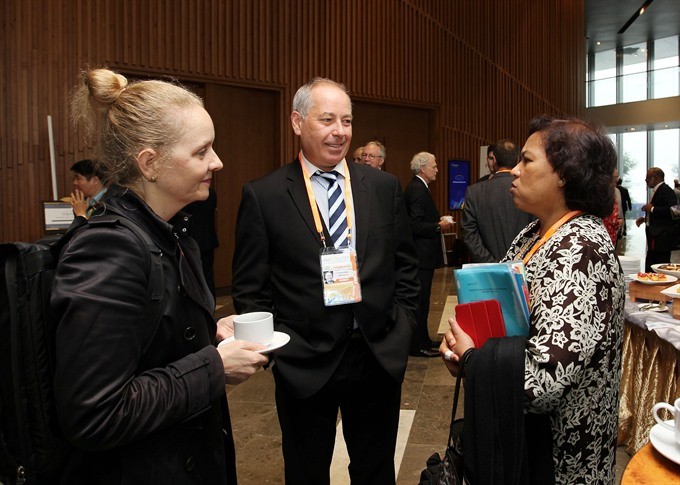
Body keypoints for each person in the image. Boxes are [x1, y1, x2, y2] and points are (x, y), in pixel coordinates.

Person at [52, 67, 268, 484]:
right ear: (150, 163)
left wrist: (208, 332)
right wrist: (213, 367)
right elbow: (94, 414)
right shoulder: (109, 250)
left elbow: (154, 343)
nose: (217, 162)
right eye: (202, 151)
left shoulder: (171, 234)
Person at [231, 77, 419, 484]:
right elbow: (250, 286)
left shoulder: (383, 187)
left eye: (347, 121)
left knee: (375, 471)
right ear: (298, 123)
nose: (340, 131)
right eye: (328, 119)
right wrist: (276, 350)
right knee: (305, 471)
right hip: (304, 362)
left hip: (375, 354)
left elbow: (406, 265)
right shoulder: (264, 195)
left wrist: (402, 328)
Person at [440, 115, 625, 484]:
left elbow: (543, 382)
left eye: (527, 161)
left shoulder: (583, 251)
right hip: (524, 446)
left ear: (565, 174)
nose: (515, 172)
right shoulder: (532, 233)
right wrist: (467, 349)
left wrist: (472, 359)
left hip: (560, 459)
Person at [404, 151, 453, 357]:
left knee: (423, 300)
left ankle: (423, 339)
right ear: (423, 168)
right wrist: (438, 226)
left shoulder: (420, 187)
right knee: (420, 301)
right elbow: (414, 225)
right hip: (419, 257)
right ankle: (417, 345)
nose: (437, 169)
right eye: (434, 166)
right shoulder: (417, 189)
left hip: (422, 257)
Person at [461, 139, 535, 262]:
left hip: (487, 270)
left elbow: (469, 235)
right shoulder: (531, 190)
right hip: (523, 267)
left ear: (494, 160)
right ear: (518, 160)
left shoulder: (474, 192)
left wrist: (492, 263)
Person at [635, 167, 678, 271]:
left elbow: (674, 211)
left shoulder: (666, 191)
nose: (646, 182)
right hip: (655, 234)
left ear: (655, 178)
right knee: (652, 261)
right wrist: (646, 219)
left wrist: (653, 208)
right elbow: (660, 215)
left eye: (647, 179)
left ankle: (658, 283)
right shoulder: (658, 191)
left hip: (661, 236)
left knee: (659, 263)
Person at [184, 186, 220, 299]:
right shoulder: (211, 193)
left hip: (191, 241)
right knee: (208, 277)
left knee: (193, 278)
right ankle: (211, 306)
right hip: (207, 240)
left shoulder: (188, 195)